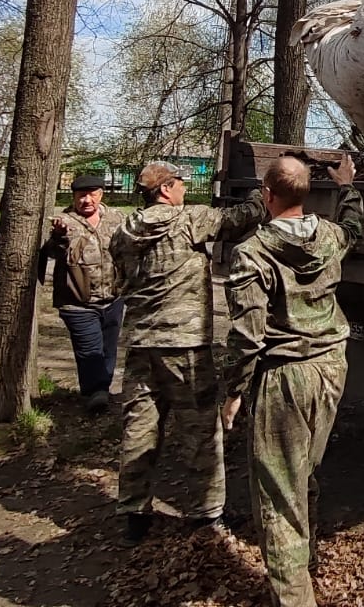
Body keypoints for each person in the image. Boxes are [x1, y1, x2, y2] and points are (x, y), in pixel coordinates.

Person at [221, 153, 364, 607]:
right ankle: (307, 562)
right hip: (330, 370)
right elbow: (355, 229)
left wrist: (233, 391)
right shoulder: (329, 237)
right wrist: (348, 186)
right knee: (304, 471)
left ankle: (294, 597)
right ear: (306, 194)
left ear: (267, 195)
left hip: (284, 377)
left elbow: (247, 335)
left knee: (279, 493)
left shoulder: (252, 254)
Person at [110, 160, 268, 545]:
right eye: (179, 181)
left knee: (139, 430)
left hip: (141, 346)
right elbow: (243, 217)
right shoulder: (189, 220)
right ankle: (206, 515)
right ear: (165, 190)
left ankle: (133, 513)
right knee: (200, 432)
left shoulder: (124, 231)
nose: (184, 186)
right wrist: (258, 192)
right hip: (185, 347)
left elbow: (118, 276)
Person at [39, 173, 125, 413]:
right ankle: (95, 393)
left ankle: (103, 390)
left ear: (101, 195)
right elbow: (52, 253)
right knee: (89, 350)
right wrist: (58, 237)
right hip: (77, 303)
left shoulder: (117, 219)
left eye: (92, 195)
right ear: (74, 197)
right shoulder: (63, 222)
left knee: (109, 348)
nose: (87, 200)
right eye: (81, 196)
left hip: (113, 298)